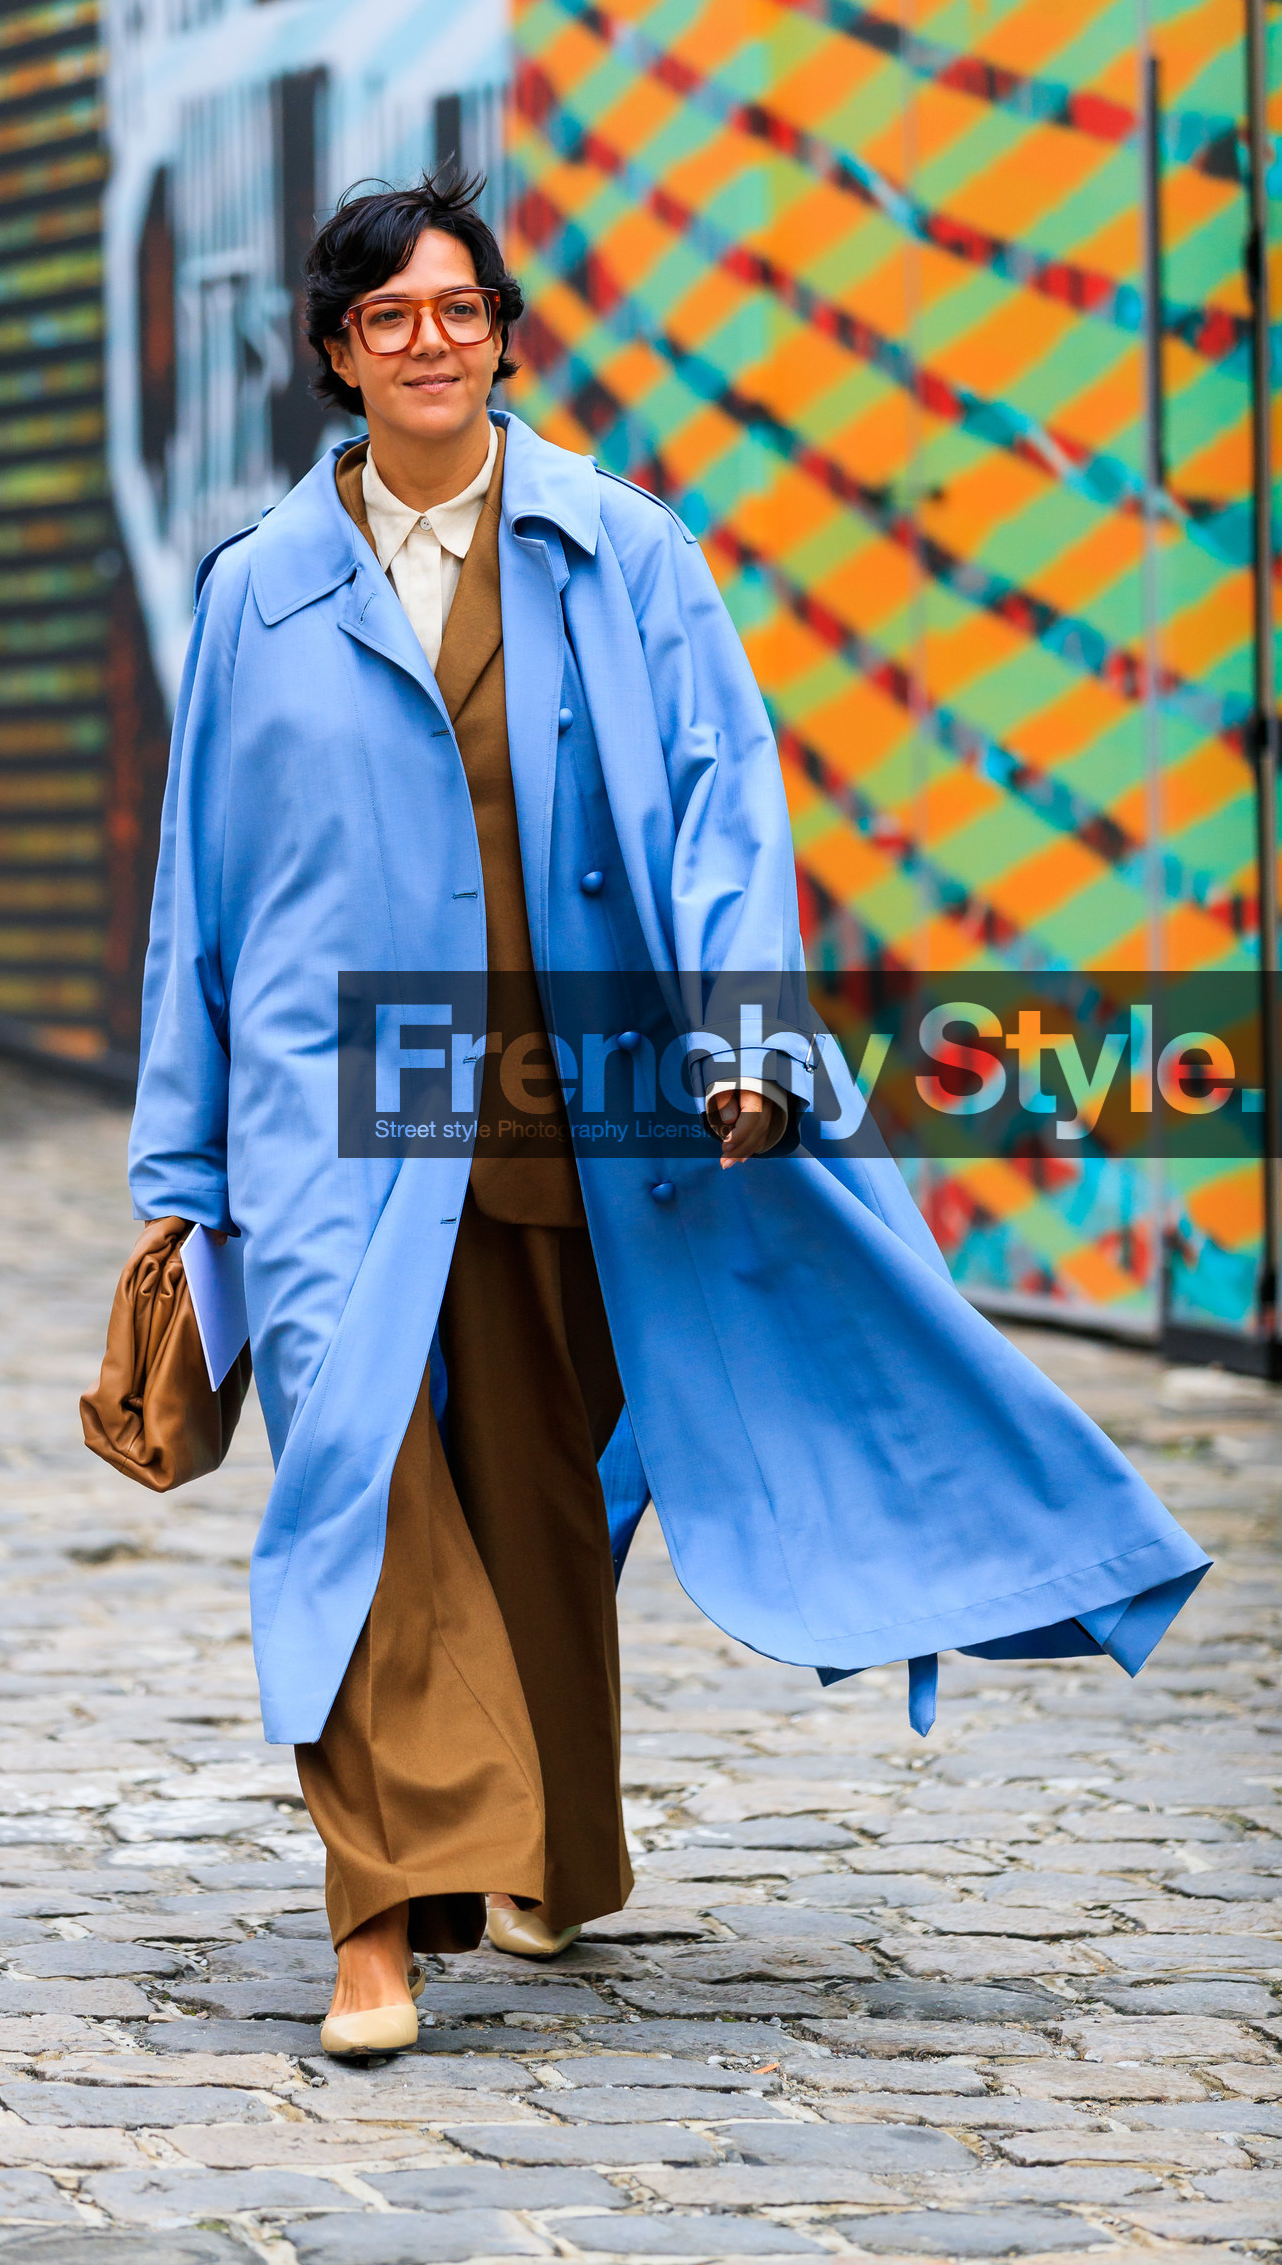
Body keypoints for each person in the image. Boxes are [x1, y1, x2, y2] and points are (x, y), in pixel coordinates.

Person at [127, 168, 1208, 2058]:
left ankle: (548, 1844)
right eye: (389, 318)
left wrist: (748, 1038)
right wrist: (180, 1168)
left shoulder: (627, 556)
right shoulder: (254, 598)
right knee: (358, 1484)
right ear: (333, 356)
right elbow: (195, 903)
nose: (430, 343)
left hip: (563, 1099)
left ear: (505, 335)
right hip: (329, 1127)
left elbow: (723, 816)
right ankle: (376, 1920)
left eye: (459, 309)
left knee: (539, 1495)